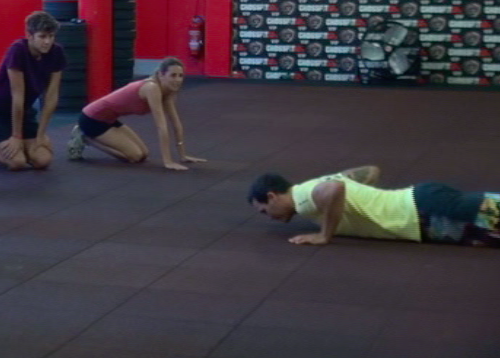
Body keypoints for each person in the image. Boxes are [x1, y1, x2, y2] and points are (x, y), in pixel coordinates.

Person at [248, 166, 500, 247]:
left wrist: (324, 235)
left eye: (263, 210)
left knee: (495, 212)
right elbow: (371, 171)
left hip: (423, 207)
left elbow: (335, 189)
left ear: (272, 196)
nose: (268, 217)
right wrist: (368, 195)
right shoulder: (312, 189)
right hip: (422, 217)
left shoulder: (303, 198)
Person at [0, 11, 65, 171]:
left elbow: (51, 97)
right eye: (42, 36)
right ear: (30, 35)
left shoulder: (56, 52)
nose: (47, 42)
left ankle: (18, 144)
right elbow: (17, 96)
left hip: (23, 111)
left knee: (42, 160)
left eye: (51, 36)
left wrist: (41, 135)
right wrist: (16, 136)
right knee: (16, 163)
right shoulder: (17, 51)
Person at [66, 57, 206, 171]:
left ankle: (87, 136)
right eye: (173, 75)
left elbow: (176, 123)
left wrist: (183, 155)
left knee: (144, 154)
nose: (177, 80)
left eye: (180, 76)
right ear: (161, 75)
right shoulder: (152, 88)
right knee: (135, 156)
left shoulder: (168, 92)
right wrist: (168, 162)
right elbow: (161, 126)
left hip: (110, 119)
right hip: (92, 119)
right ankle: (86, 137)